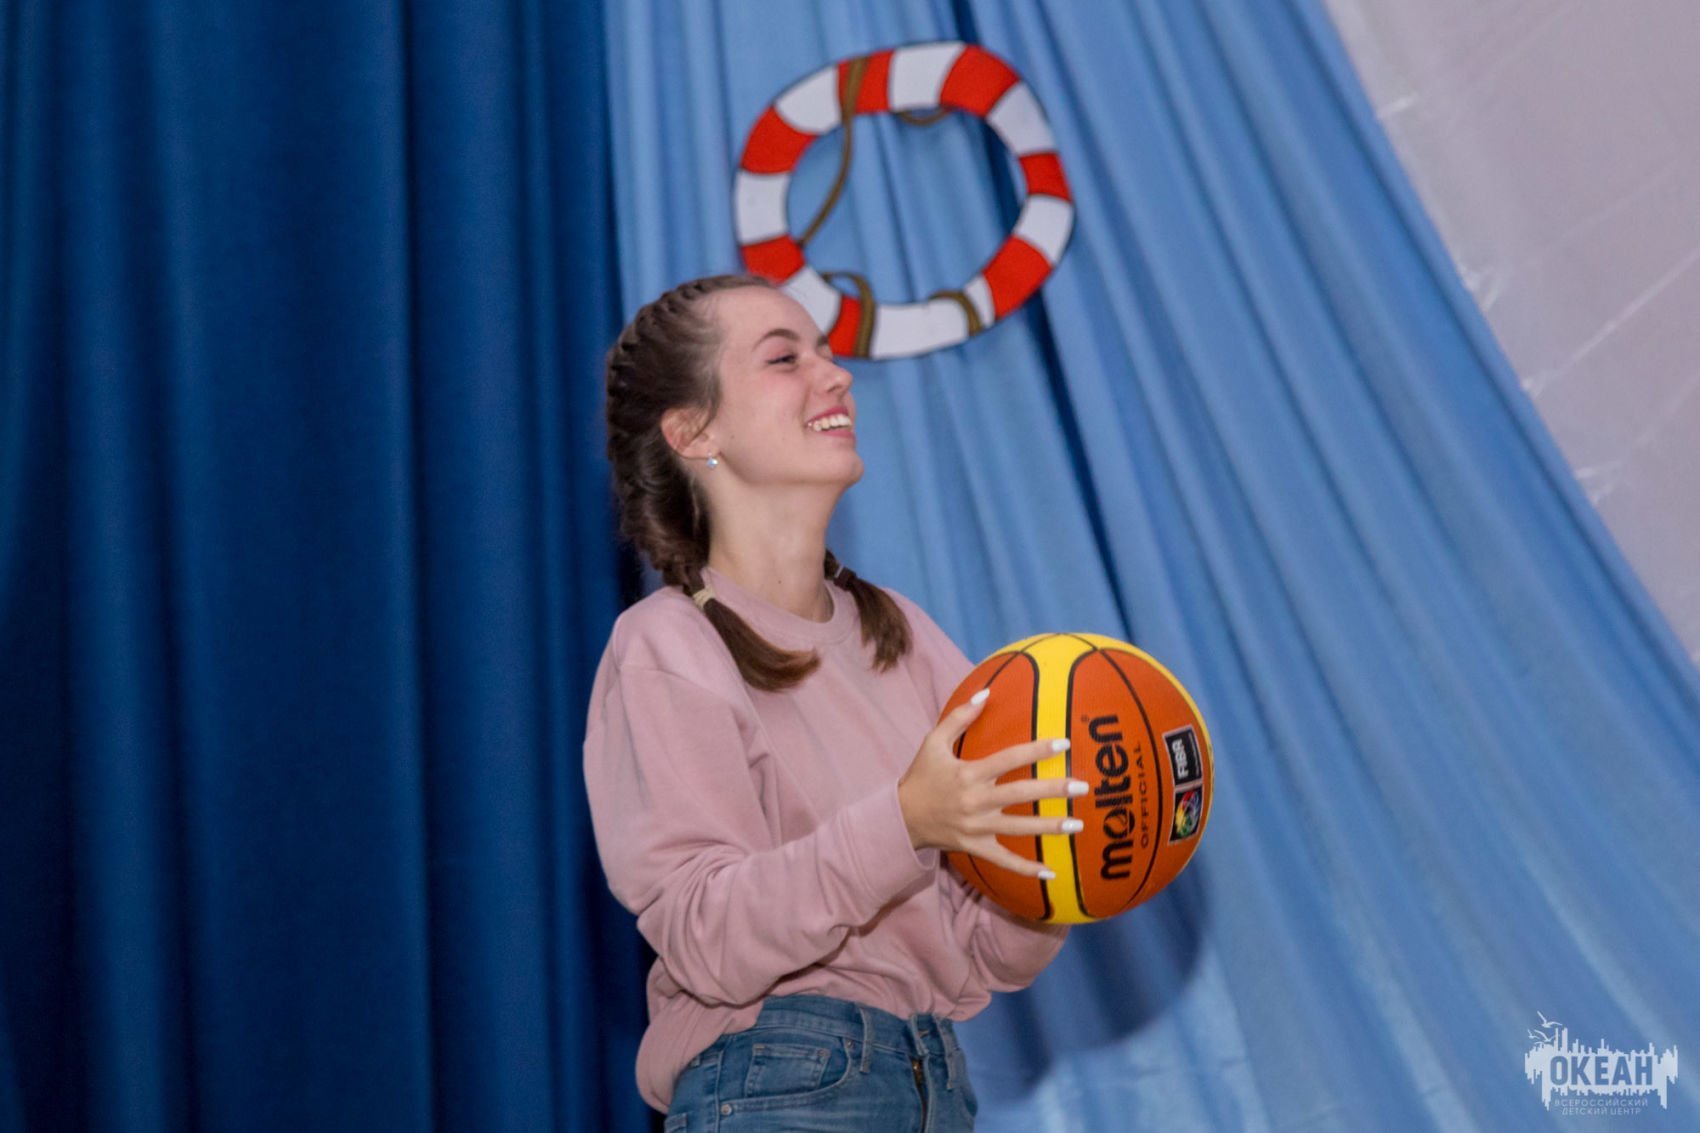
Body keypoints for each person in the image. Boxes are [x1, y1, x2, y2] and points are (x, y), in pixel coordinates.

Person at [583, 274, 1085, 1130]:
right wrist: (906, 821)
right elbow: (708, 937)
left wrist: (1064, 868)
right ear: (694, 431)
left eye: (825, 350)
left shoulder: (904, 633)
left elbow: (983, 953)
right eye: (785, 358)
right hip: (776, 1080)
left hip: (935, 1081)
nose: (837, 374)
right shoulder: (665, 645)